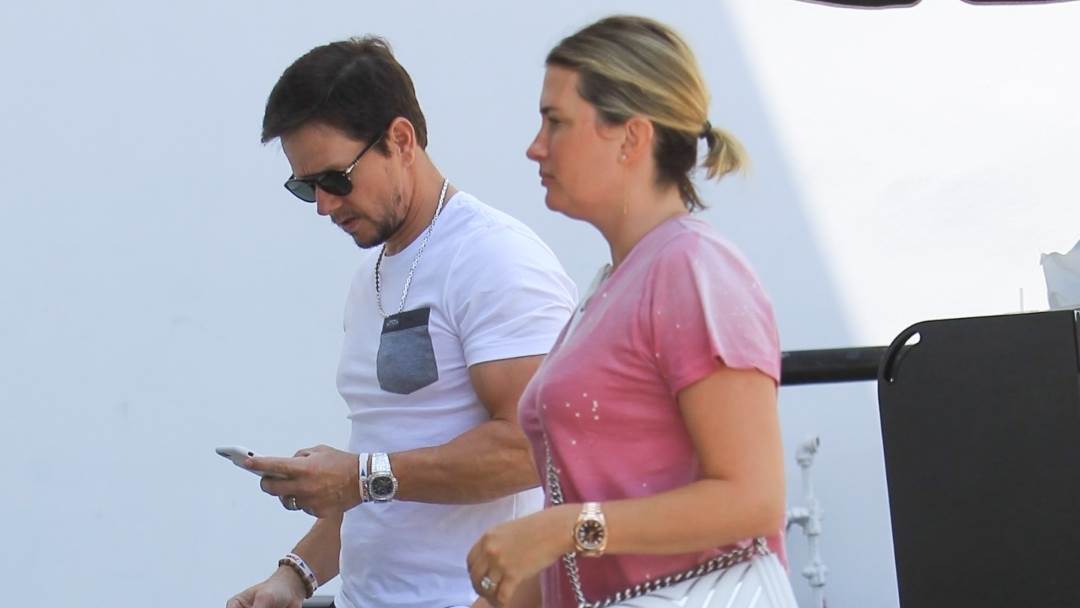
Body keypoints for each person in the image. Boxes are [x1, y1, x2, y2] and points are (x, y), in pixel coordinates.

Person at [225, 36, 577, 608]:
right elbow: (383, 482)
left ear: (401, 139)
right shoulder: (371, 278)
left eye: (336, 179)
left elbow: (535, 449)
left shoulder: (496, 260)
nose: (324, 205)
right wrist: (294, 576)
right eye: (305, 187)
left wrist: (358, 476)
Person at [467, 15, 798, 608]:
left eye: (556, 121)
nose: (535, 146)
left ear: (631, 138)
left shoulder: (693, 270)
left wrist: (563, 528)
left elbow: (753, 500)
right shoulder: (619, 283)